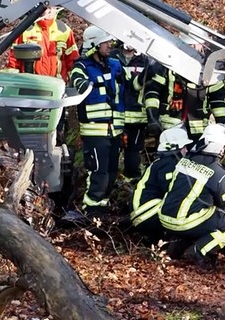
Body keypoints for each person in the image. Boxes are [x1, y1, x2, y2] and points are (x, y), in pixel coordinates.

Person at [159, 124, 225, 264]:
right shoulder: (221, 175)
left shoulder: (185, 160)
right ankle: (199, 252)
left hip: (165, 218)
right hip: (185, 221)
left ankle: (179, 245)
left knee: (204, 213)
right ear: (221, 147)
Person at [64, 25, 124, 221]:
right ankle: (91, 210)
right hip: (94, 130)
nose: (109, 45)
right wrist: (92, 83)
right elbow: (78, 83)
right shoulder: (81, 66)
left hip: (114, 130)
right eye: (105, 42)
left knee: (111, 172)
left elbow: (129, 84)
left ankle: (103, 209)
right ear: (94, 44)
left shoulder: (115, 64)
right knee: (98, 172)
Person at [142, 25, 225, 141]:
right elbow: (153, 92)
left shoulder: (209, 69)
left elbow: (218, 102)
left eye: (194, 46)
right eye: (190, 46)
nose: (193, 49)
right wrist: (153, 119)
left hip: (198, 131)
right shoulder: (167, 64)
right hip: (169, 129)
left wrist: (222, 128)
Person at [130, 127, 192, 245]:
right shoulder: (169, 164)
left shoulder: (162, 162)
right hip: (146, 213)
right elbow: (172, 191)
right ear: (175, 148)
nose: (186, 150)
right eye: (184, 147)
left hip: (144, 211)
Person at [6, 6, 79, 82]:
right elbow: (13, 62)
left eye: (52, 7)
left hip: (57, 86)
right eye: (47, 8)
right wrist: (12, 82)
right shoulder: (25, 30)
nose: (49, 11)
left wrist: (74, 84)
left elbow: (73, 60)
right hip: (30, 85)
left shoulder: (64, 30)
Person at [110, 42, 149, 180]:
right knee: (112, 151)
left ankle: (130, 179)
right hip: (114, 114)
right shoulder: (111, 56)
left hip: (137, 116)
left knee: (133, 150)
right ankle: (112, 180)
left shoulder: (145, 60)